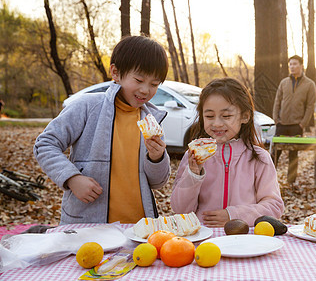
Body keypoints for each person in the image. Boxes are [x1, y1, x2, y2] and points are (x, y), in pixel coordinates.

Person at [34, 36, 171, 225]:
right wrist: (72, 178)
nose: (146, 90)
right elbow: (45, 144)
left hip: (138, 227)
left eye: (154, 84)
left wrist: (156, 158)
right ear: (115, 72)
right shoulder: (87, 106)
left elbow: (158, 182)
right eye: (139, 80)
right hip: (88, 225)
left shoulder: (151, 121)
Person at [171, 78, 284, 227]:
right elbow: (180, 210)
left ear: (245, 116)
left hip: (244, 241)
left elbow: (274, 206)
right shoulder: (193, 156)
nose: (217, 123)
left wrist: (234, 215)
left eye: (226, 116)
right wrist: (193, 174)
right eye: (209, 116)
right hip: (203, 239)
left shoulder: (259, 158)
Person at [272, 55, 316, 184]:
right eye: (290, 64)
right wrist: (276, 119)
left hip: (296, 125)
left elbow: (310, 106)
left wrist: (303, 124)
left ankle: (290, 183)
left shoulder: (309, 84)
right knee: (274, 154)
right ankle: (269, 183)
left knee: (293, 156)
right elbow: (277, 101)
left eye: (295, 64)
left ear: (301, 66)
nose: (292, 66)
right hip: (281, 124)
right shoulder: (284, 82)